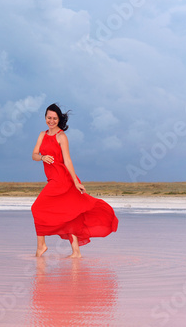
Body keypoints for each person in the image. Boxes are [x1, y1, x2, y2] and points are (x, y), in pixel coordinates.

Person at [31, 103, 118, 258]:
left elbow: (68, 161)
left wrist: (76, 182)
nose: (51, 121)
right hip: (53, 180)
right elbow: (34, 155)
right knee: (70, 215)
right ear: (45, 118)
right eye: (49, 118)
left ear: (58, 119)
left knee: (37, 208)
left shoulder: (61, 137)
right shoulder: (41, 135)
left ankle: (41, 246)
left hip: (62, 180)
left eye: (54, 118)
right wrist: (43, 157)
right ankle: (76, 251)